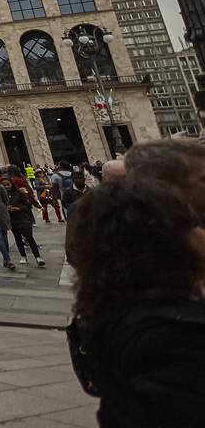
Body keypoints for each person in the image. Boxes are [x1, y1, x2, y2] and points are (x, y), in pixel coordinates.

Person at [65, 178, 205, 426]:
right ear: (167, 240)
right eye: (192, 223)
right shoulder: (175, 335)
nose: (201, 231)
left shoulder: (107, 310)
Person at [4, 180, 45, 267]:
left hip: (24, 218)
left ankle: (38, 257)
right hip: (12, 219)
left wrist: (19, 208)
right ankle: (23, 256)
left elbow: (28, 205)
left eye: (8, 184)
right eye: (4, 185)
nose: (6, 187)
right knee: (18, 238)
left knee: (29, 237)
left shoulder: (19, 193)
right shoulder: (3, 196)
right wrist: (6, 209)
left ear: (12, 184)